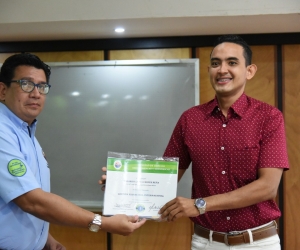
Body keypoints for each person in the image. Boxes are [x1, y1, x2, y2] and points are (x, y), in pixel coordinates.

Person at [0, 53, 146, 250]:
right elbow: (31, 201)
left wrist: (46, 240)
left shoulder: (27, 135)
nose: (36, 94)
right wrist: (102, 222)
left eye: (42, 87)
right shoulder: (3, 132)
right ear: (2, 90)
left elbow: (16, 205)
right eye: (26, 84)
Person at [158, 35, 289, 250]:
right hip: (205, 243)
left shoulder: (269, 117)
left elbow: (267, 187)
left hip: (257, 243)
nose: (222, 70)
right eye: (215, 63)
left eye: (232, 62)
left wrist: (201, 205)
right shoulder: (190, 119)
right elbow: (165, 176)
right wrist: (124, 181)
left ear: (250, 71)